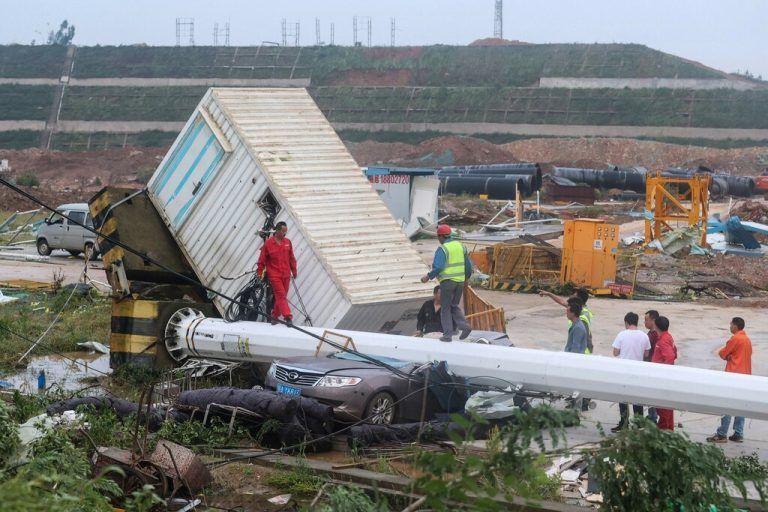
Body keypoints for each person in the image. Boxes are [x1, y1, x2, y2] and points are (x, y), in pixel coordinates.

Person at [421, 224, 472, 342]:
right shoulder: (461, 246)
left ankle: (447, 335)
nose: (438, 239)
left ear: (441, 236)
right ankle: (465, 326)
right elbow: (468, 266)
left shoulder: (443, 249)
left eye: (438, 237)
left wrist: (428, 277)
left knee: (445, 308)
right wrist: (466, 277)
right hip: (460, 282)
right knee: (453, 306)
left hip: (448, 282)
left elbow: (438, 267)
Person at [707, 317, 753, 443]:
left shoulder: (735, 338)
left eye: (731, 324)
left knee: (727, 404)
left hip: (733, 376)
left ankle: (722, 434)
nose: (730, 326)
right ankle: (738, 433)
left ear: (735, 326)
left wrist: (728, 356)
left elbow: (722, 353)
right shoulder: (747, 340)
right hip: (745, 376)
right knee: (740, 405)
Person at [610, 312, 651, 432]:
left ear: (626, 322)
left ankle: (624, 423)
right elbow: (646, 354)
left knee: (623, 399)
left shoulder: (622, 334)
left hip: (624, 371)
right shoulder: (644, 336)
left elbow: (615, 353)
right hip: (638, 371)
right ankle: (639, 424)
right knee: (637, 399)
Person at [256, 221, 297, 326]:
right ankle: (288, 317)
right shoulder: (268, 244)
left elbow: (292, 258)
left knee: (281, 297)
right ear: (277, 230)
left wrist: (294, 271)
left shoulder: (288, 242)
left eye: (286, 231)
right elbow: (261, 260)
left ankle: (274, 316)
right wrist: (259, 273)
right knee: (281, 295)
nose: (285, 233)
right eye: (283, 231)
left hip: (286, 274)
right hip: (274, 275)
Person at [541, 289, 594, 353]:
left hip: (582, 353)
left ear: (578, 300)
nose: (571, 296)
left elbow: (578, 343)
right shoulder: (577, 309)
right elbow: (562, 301)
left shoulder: (582, 319)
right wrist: (549, 294)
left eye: (573, 296)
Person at [651, 316, 677, 430]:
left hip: (662, 378)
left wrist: (664, 372)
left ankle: (664, 429)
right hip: (664, 377)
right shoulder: (667, 337)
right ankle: (668, 429)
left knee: (663, 407)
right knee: (666, 407)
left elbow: (670, 357)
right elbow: (674, 353)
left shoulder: (663, 341)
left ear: (656, 326)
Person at [643, 310, 660, 424]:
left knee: (651, 393)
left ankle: (653, 417)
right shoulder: (651, 334)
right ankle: (651, 415)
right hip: (649, 367)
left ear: (653, 320)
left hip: (652, 368)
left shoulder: (654, 336)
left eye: (646, 320)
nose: (645, 322)